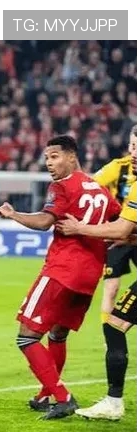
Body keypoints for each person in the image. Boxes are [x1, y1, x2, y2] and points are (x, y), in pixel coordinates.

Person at [0, 135, 120, 420]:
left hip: (62, 271)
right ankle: (45, 394)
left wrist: (13, 214)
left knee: (27, 337)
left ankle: (63, 397)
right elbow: (120, 224)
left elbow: (44, 222)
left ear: (72, 156)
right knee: (57, 334)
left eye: (54, 156)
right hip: (89, 277)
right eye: (46, 158)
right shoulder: (100, 190)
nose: (49, 164)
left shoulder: (62, 186)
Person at [57, 125, 137, 420]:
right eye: (132, 146)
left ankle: (114, 403)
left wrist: (80, 228)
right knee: (114, 308)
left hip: (116, 231)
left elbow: (121, 228)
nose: (133, 153)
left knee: (114, 326)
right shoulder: (121, 171)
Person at [92, 131, 136, 340]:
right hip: (117, 234)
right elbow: (91, 186)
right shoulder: (118, 167)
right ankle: (110, 338)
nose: (133, 152)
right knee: (111, 287)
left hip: (132, 233)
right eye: (132, 146)